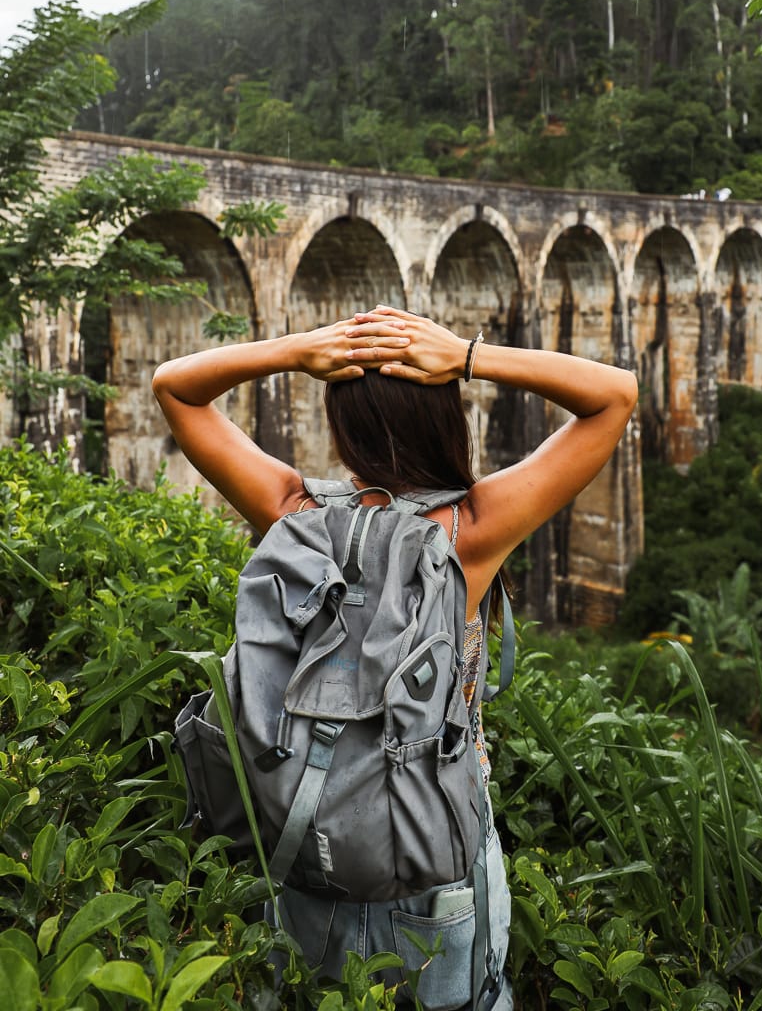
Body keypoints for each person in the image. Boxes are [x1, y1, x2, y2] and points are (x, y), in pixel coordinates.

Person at [153, 304, 638, 1009]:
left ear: (340, 425)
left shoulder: (295, 514)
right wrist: (466, 355)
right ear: (446, 417)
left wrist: (300, 349)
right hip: (431, 866)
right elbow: (614, 395)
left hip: (303, 849)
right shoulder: (468, 532)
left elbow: (174, 386)